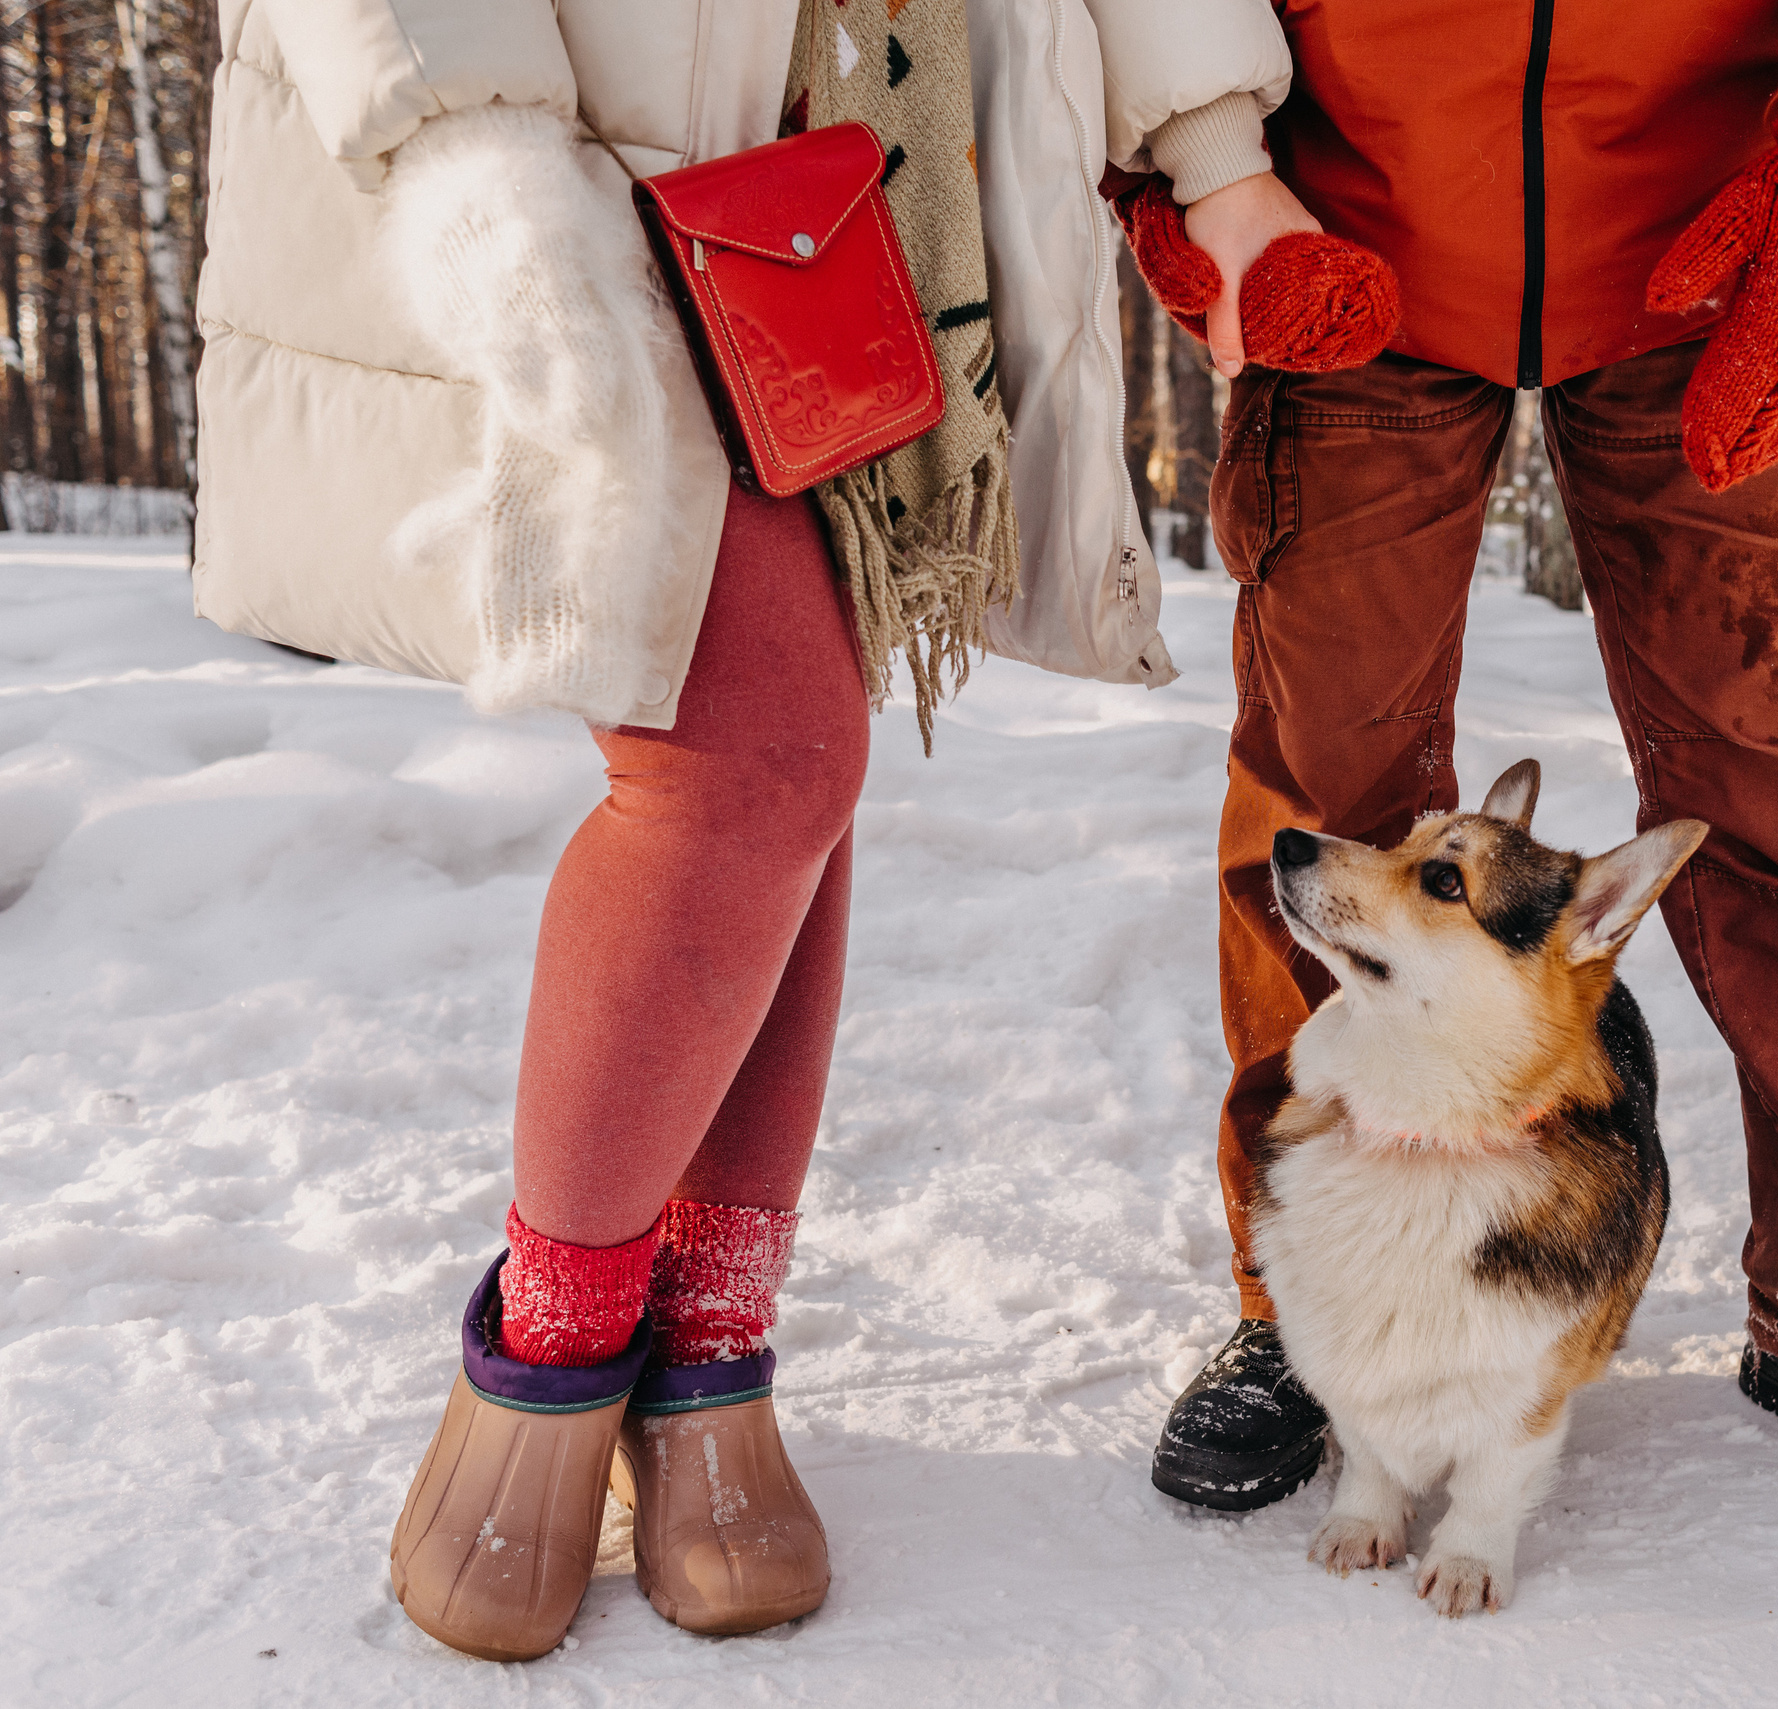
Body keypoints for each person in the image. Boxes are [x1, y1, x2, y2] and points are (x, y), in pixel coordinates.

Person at [189, 0, 1225, 1662]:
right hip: (591, 150)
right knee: (751, 768)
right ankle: (551, 1352)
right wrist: (474, 138)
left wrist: (1215, 141)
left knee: (799, 775)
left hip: (849, 163)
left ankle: (706, 1350)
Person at [1114, 1, 1778, 1521]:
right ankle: (1304, 1295)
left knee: (1768, 802)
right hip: (1353, 236)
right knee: (1323, 816)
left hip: (1713, 231)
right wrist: (1187, 151)